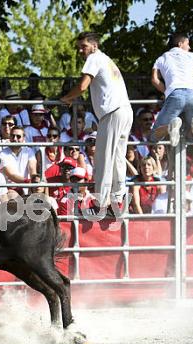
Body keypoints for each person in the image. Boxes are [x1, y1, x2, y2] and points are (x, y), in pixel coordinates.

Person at [61, 31, 133, 215]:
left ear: (94, 45)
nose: (80, 51)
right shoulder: (107, 59)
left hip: (112, 112)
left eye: (83, 47)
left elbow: (83, 85)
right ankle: (117, 200)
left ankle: (101, 203)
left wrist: (67, 98)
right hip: (125, 110)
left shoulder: (94, 58)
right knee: (117, 158)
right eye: (79, 48)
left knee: (103, 158)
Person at [150, 33, 193, 147]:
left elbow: (154, 79)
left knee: (153, 135)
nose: (189, 47)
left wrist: (166, 90)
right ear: (180, 44)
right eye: (188, 44)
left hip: (174, 93)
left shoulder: (162, 58)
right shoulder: (192, 56)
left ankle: (170, 126)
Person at [0, 126, 37, 195]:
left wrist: (34, 181)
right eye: (12, 136)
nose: (15, 139)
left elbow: (32, 170)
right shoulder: (2, 153)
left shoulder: (29, 151)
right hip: (9, 190)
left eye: (18, 136)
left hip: (28, 188)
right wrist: (29, 182)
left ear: (23, 138)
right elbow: (11, 175)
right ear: (9, 137)